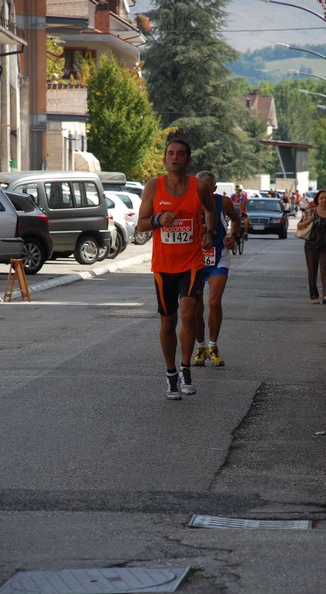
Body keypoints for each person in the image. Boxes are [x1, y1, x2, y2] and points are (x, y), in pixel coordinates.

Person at [137, 139, 217, 400]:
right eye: (170, 153)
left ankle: (186, 369)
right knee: (168, 320)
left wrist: (209, 231)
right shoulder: (153, 187)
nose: (175, 158)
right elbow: (141, 224)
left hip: (191, 263)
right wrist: (159, 220)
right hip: (163, 266)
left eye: (180, 154)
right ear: (164, 159)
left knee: (189, 311)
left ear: (188, 160)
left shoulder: (199, 187)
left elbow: (210, 209)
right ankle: (171, 375)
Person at [193, 171, 241, 368]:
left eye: (207, 187)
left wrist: (233, 237)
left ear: (213, 188)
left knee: (214, 302)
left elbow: (236, 220)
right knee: (195, 307)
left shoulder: (224, 202)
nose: (203, 190)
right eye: (199, 186)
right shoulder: (189, 202)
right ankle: (200, 346)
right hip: (194, 259)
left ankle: (213, 346)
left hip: (219, 257)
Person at [296, 189, 326, 304]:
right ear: (317, 200)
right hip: (311, 245)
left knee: (324, 270)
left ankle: (325, 295)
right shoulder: (310, 212)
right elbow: (299, 225)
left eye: (325, 198)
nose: (323, 200)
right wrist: (309, 221)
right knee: (312, 270)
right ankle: (314, 296)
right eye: (321, 198)